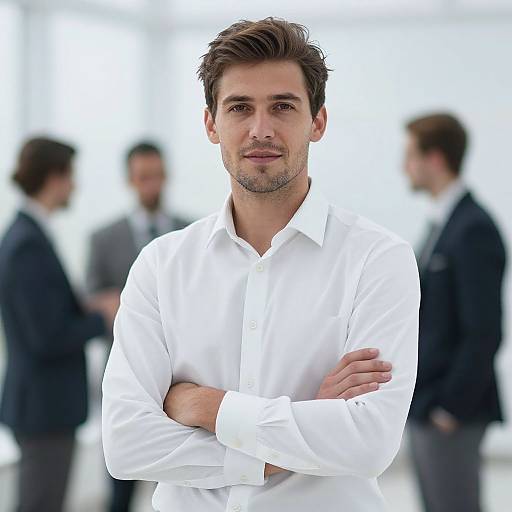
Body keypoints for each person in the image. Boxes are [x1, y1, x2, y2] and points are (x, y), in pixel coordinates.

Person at [102, 18, 420, 512]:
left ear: (318, 121)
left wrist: (202, 405)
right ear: (211, 124)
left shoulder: (378, 260)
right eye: (240, 107)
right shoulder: (161, 266)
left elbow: (369, 441)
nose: (261, 130)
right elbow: (125, 444)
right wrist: (292, 438)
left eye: (283, 107)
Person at [0, 137, 118, 512]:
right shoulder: (27, 244)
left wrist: (85, 308)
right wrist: (102, 316)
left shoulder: (28, 235)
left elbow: (43, 315)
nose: (75, 186)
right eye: (71, 176)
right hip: (44, 409)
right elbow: (47, 337)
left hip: (42, 406)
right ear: (54, 177)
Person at [404, 113, 507, 512]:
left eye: (410, 155)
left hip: (451, 413)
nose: (403, 166)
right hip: (427, 405)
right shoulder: (442, 224)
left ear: (435, 159)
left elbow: (484, 330)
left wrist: (451, 407)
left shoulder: (473, 228)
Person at [86, 141, 190, 512]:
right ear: (130, 180)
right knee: (120, 476)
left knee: (184, 477)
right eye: (144, 177)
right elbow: (93, 300)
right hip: (125, 369)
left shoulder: (190, 232)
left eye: (157, 176)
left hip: (184, 373)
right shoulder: (103, 238)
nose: (152, 185)